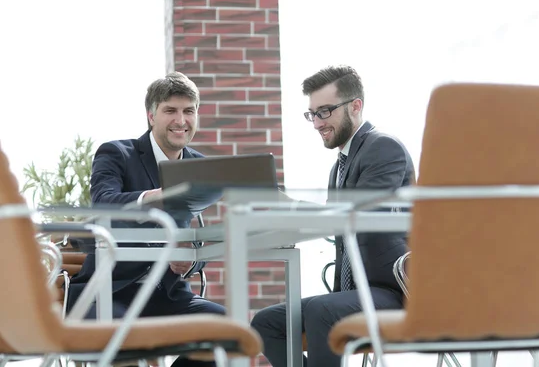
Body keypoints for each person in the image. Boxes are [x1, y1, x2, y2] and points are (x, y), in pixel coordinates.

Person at [251, 65, 414, 367]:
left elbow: (358, 215)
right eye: (312, 114)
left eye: (324, 112)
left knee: (321, 311)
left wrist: (291, 206)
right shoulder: (339, 165)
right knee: (266, 322)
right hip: (353, 293)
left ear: (356, 106)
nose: (316, 123)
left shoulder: (383, 148)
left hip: (394, 291)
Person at [68, 72, 225, 367]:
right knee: (122, 340)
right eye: (170, 110)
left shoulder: (200, 166)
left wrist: (190, 261)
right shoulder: (116, 152)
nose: (181, 120)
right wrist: (157, 195)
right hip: (109, 291)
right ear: (151, 115)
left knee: (225, 330)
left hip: (166, 293)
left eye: (188, 111)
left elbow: (198, 240)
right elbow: (104, 203)